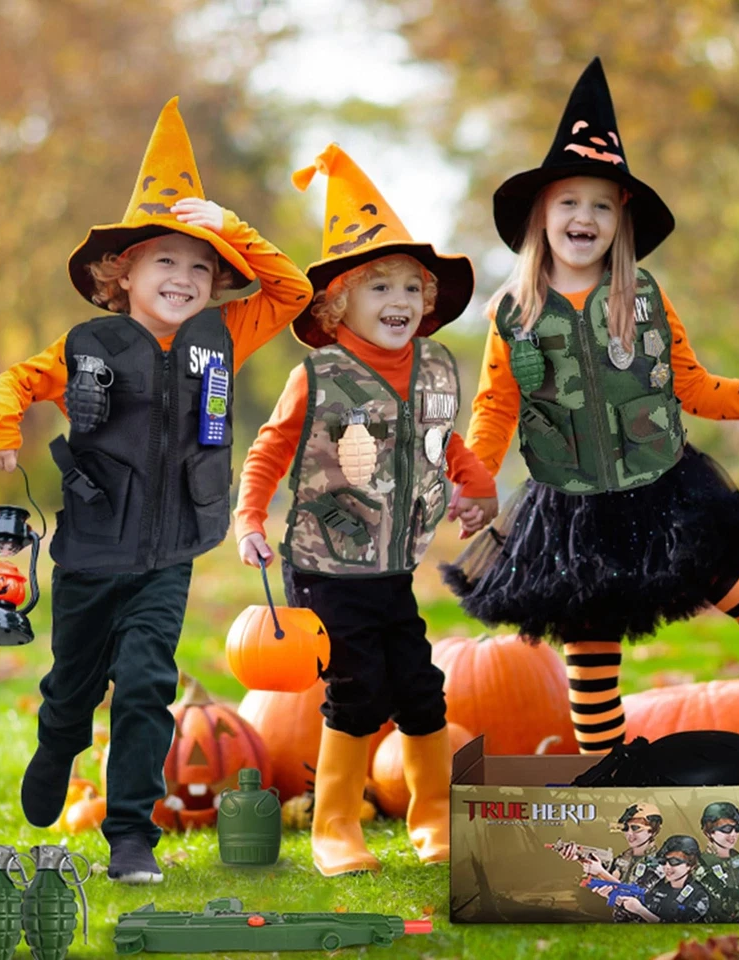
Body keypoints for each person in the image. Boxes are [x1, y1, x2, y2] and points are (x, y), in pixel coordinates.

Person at [442, 57, 739, 753]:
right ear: (542, 214)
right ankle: (610, 774)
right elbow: (496, 411)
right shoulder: (514, 312)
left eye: (599, 204)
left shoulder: (643, 298)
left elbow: (698, 388)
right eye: (568, 202)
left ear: (620, 221)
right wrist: (475, 482)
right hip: (571, 500)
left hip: (658, 481)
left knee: (732, 584)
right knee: (590, 640)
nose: (582, 217)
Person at [0, 98, 312, 884]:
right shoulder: (86, 346)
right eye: (166, 261)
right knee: (74, 684)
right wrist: (1, 429)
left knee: (148, 686)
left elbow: (291, 290)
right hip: (94, 550)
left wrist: (229, 226)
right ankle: (59, 742)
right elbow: (16, 381)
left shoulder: (225, 336)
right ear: (119, 273)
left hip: (171, 551)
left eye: (202, 267)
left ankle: (131, 835)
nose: (186, 278)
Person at [234, 144, 497, 877]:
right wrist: (249, 519)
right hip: (324, 562)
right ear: (336, 301)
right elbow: (267, 451)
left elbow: (447, 443)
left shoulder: (436, 369)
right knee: (357, 689)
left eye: (412, 287)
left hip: (389, 566)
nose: (400, 301)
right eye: (379, 285)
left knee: (419, 685)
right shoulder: (317, 376)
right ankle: (335, 828)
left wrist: (478, 487)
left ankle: (433, 820)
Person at [558, 802, 663, 922]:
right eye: (625, 828)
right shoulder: (625, 857)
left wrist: (600, 871)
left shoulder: (660, 863)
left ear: (654, 830)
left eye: (636, 828)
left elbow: (634, 897)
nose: (629, 834)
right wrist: (580, 858)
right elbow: (609, 878)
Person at [607, 835, 710, 923]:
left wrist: (641, 910)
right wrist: (613, 896)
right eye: (664, 861)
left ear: (691, 865)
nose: (667, 867)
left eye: (674, 862)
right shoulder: (657, 888)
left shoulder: (698, 896)